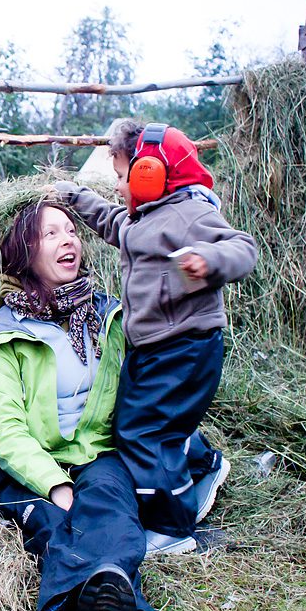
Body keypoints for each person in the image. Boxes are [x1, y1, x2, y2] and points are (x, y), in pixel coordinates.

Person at [0, 198, 219, 611]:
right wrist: (56, 485)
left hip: (99, 456)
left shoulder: (112, 316)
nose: (69, 242)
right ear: (22, 253)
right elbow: (5, 431)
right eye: (51, 234)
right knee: (53, 525)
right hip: (29, 471)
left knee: (110, 512)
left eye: (72, 231)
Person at [53, 121, 255, 545]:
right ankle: (202, 463)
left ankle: (171, 527)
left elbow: (242, 248)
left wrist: (208, 260)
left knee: (144, 432)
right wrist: (75, 197)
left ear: (150, 174)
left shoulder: (189, 213)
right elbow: (115, 226)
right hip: (151, 347)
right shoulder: (145, 217)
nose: (120, 186)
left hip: (184, 347)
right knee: (138, 420)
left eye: (123, 175)